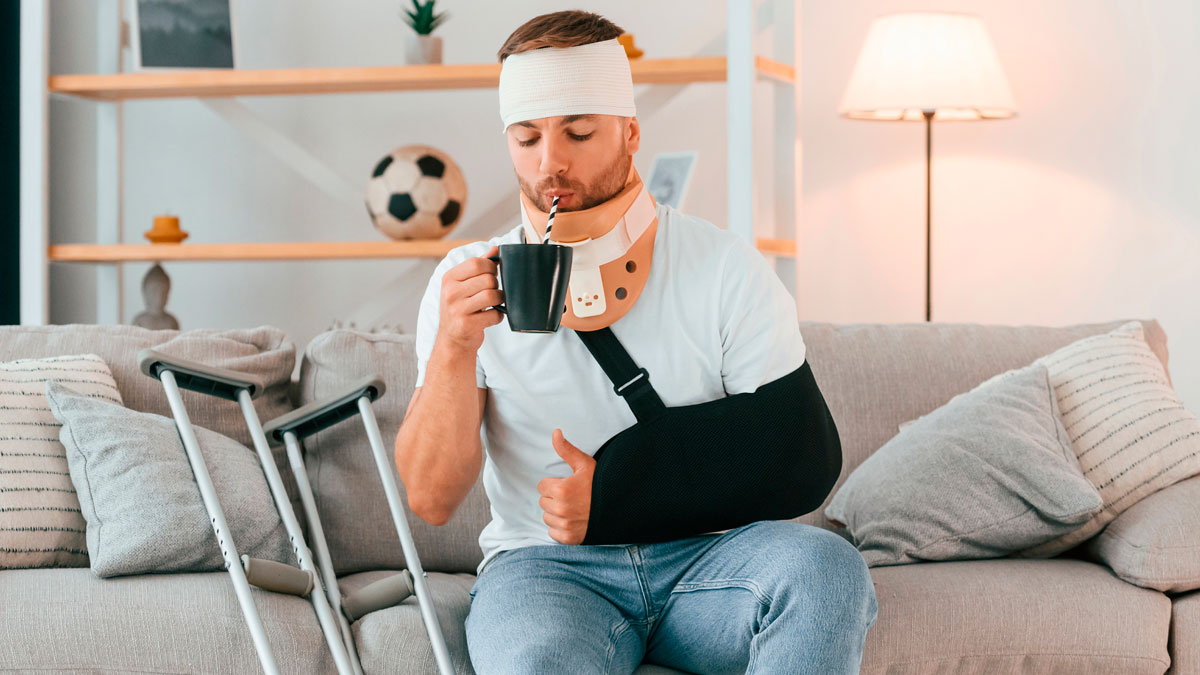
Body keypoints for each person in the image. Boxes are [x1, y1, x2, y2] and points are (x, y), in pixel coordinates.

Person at [395, 10, 878, 674]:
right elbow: (431, 499)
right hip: (546, 568)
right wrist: (454, 349)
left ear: (629, 131)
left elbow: (800, 452)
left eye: (579, 131)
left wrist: (621, 492)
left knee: (826, 568)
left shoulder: (723, 265)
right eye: (527, 137)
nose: (550, 162)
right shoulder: (466, 281)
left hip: (710, 558)